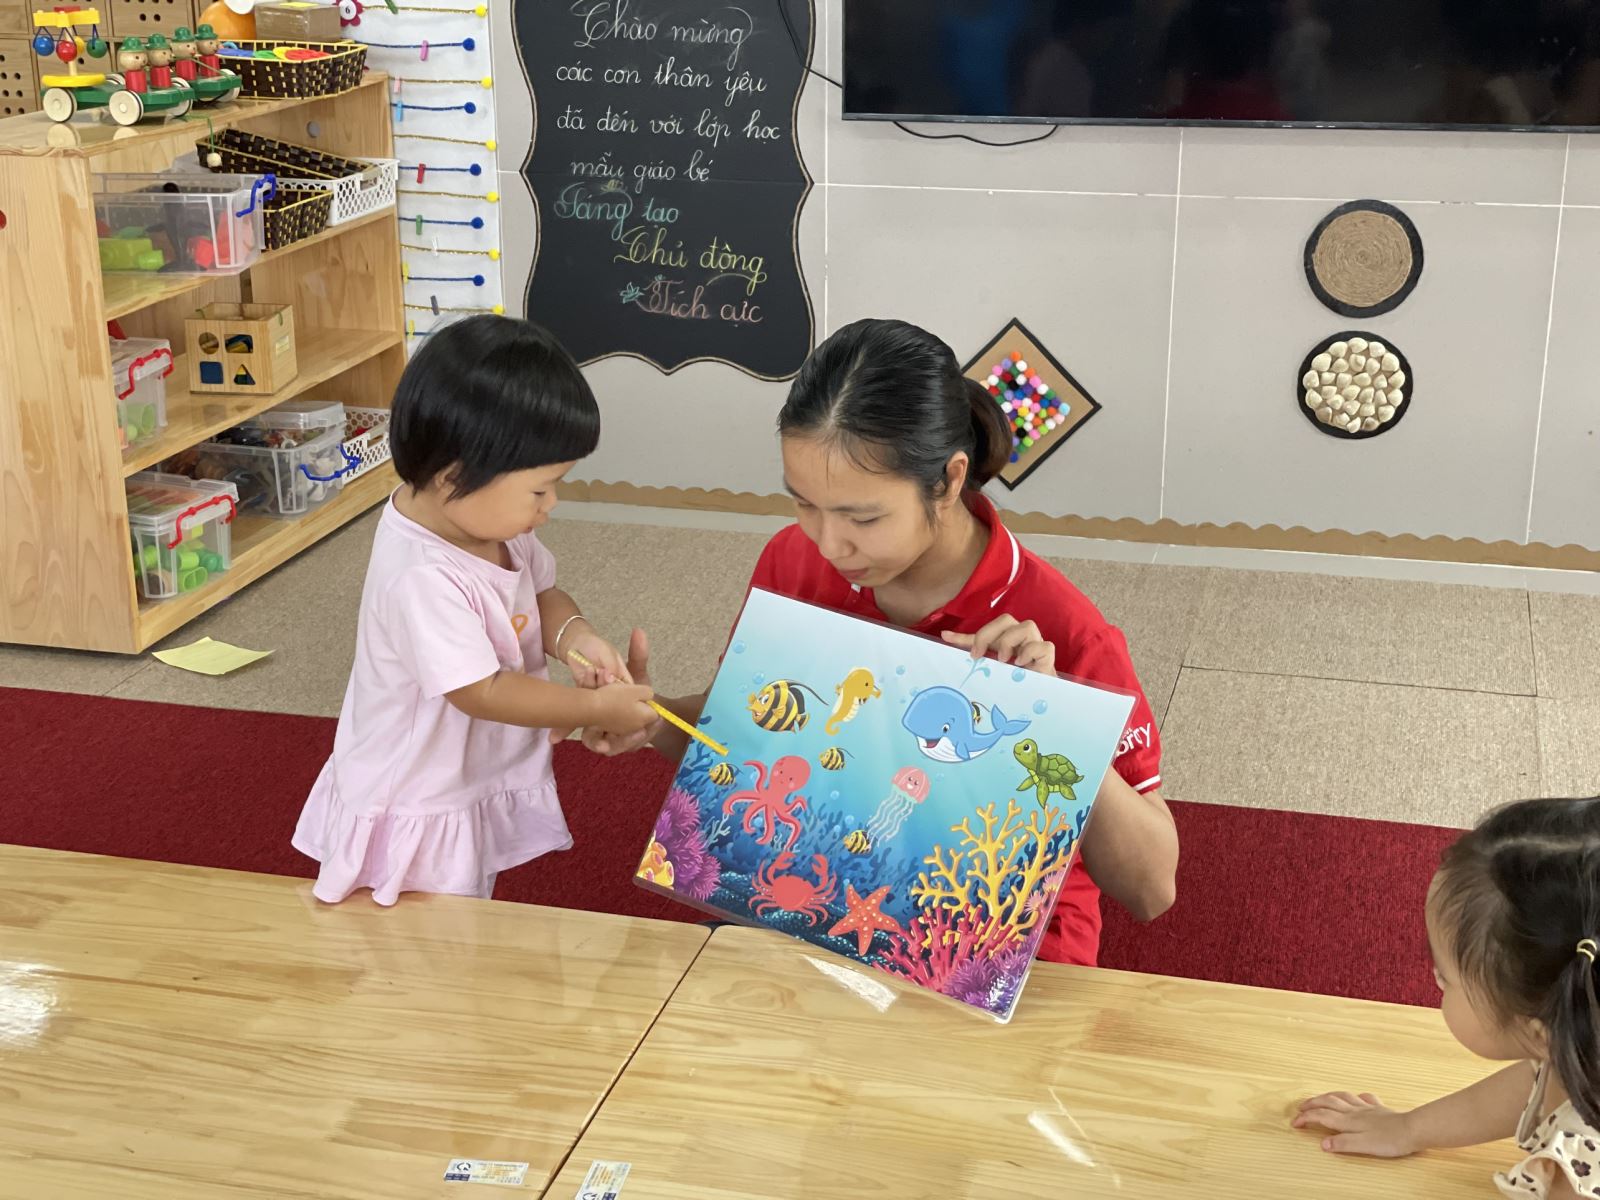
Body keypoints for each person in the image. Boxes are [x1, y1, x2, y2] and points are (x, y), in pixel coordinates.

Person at [586, 318, 1179, 963]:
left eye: (863, 518)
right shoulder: (792, 560)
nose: (828, 544)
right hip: (817, 895)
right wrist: (653, 716)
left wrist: (1059, 720)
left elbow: (1152, 890)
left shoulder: (1067, 631)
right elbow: (744, 727)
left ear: (948, 481)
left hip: (990, 949)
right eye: (803, 503)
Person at [292, 316, 657, 905]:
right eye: (540, 489)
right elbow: (481, 691)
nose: (552, 503)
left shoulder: (492, 527)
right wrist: (593, 707)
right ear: (454, 477)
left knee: (462, 908)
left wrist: (575, 638)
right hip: (415, 791)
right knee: (423, 926)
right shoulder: (421, 576)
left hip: (461, 769)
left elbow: (542, 595)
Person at [1295, 797, 1600, 1198]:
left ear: (1540, 1034)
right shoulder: (1576, 1044)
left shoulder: (1580, 1175)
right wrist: (1408, 1128)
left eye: (1446, 977)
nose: (1434, 976)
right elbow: (1526, 1088)